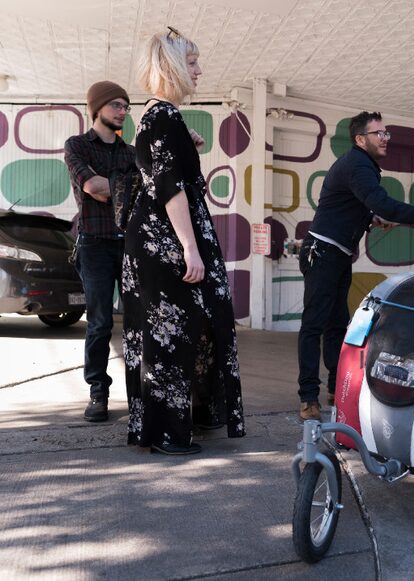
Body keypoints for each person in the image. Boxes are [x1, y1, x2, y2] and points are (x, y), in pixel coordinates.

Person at [122, 27, 245, 455]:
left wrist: (186, 143)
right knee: (174, 331)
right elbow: (171, 190)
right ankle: (170, 434)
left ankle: (172, 423)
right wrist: (190, 249)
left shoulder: (155, 117)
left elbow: (161, 171)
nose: (199, 70)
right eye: (191, 63)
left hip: (154, 240)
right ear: (172, 67)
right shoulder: (164, 118)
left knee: (167, 330)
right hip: (167, 240)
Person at [297, 111, 414, 420]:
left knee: (336, 325)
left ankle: (335, 388)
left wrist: (371, 219)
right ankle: (308, 397)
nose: (385, 138)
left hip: (338, 254)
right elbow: (382, 202)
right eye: (379, 134)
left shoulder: (361, 165)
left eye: (386, 133)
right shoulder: (357, 164)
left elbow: (355, 204)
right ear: (361, 139)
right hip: (323, 253)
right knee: (314, 326)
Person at [64, 81, 137, 422]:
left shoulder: (132, 152)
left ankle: (142, 394)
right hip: (94, 244)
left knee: (139, 322)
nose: (123, 111)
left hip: (130, 245)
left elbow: (151, 190)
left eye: (126, 106)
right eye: (117, 105)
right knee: (100, 324)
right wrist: (130, 188)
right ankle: (98, 393)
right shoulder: (77, 146)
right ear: (98, 108)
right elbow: (93, 187)